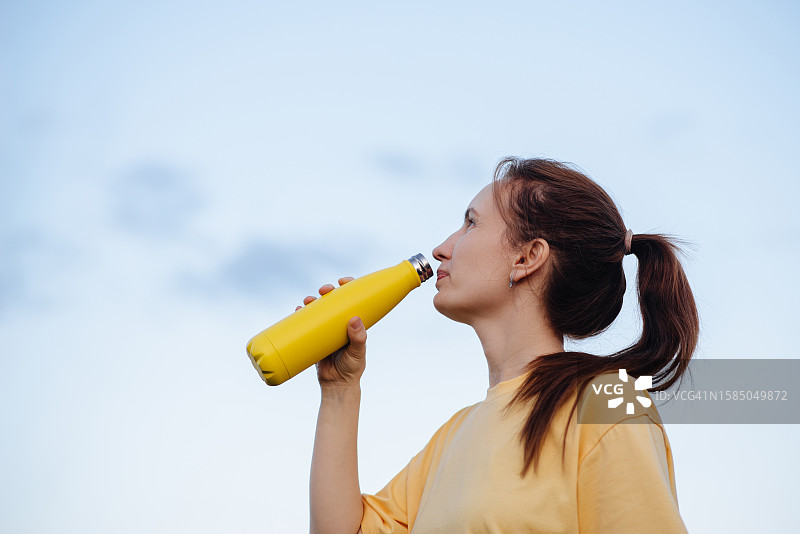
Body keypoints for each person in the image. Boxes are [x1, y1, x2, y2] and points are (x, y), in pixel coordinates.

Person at [301, 157, 699, 534]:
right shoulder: (455, 434)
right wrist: (339, 389)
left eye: (471, 223)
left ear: (527, 257)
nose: (442, 248)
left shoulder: (607, 403)